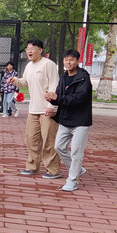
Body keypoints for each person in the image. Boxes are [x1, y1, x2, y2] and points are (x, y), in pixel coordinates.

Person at [9, 39, 61, 178]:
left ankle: (53, 170)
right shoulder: (29, 66)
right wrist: (15, 81)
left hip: (47, 110)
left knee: (49, 141)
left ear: (40, 50)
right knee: (31, 139)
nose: (29, 51)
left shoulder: (48, 64)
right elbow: (25, 81)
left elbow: (54, 85)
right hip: (33, 109)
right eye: (27, 49)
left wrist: (51, 106)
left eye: (32, 48)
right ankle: (32, 167)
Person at [46, 49, 93, 192]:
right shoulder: (63, 77)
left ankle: (72, 180)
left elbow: (79, 99)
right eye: (66, 60)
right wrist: (51, 100)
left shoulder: (83, 78)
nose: (68, 62)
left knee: (76, 153)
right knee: (59, 147)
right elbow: (59, 96)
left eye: (71, 60)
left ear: (77, 61)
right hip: (65, 119)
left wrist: (57, 98)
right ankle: (77, 169)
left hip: (81, 121)